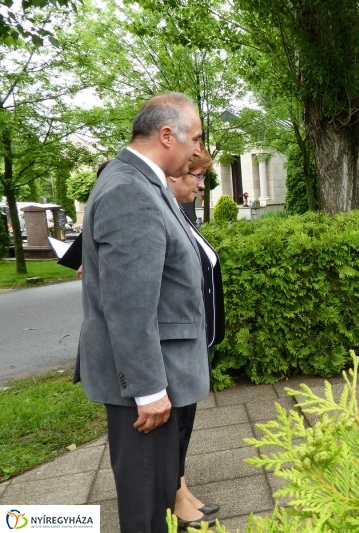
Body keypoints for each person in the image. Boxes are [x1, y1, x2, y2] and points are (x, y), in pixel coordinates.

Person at [75, 93, 210, 533]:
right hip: (147, 389)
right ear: (166, 135)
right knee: (147, 511)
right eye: (196, 139)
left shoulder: (142, 181)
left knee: (156, 501)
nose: (197, 151)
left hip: (158, 376)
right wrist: (149, 389)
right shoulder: (130, 190)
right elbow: (128, 305)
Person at [165, 146, 225, 527]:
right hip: (175, 344)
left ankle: (180, 488)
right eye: (196, 177)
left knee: (185, 420)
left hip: (195, 340)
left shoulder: (181, 215)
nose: (202, 186)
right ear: (172, 175)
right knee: (177, 421)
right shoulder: (163, 215)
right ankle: (173, 495)